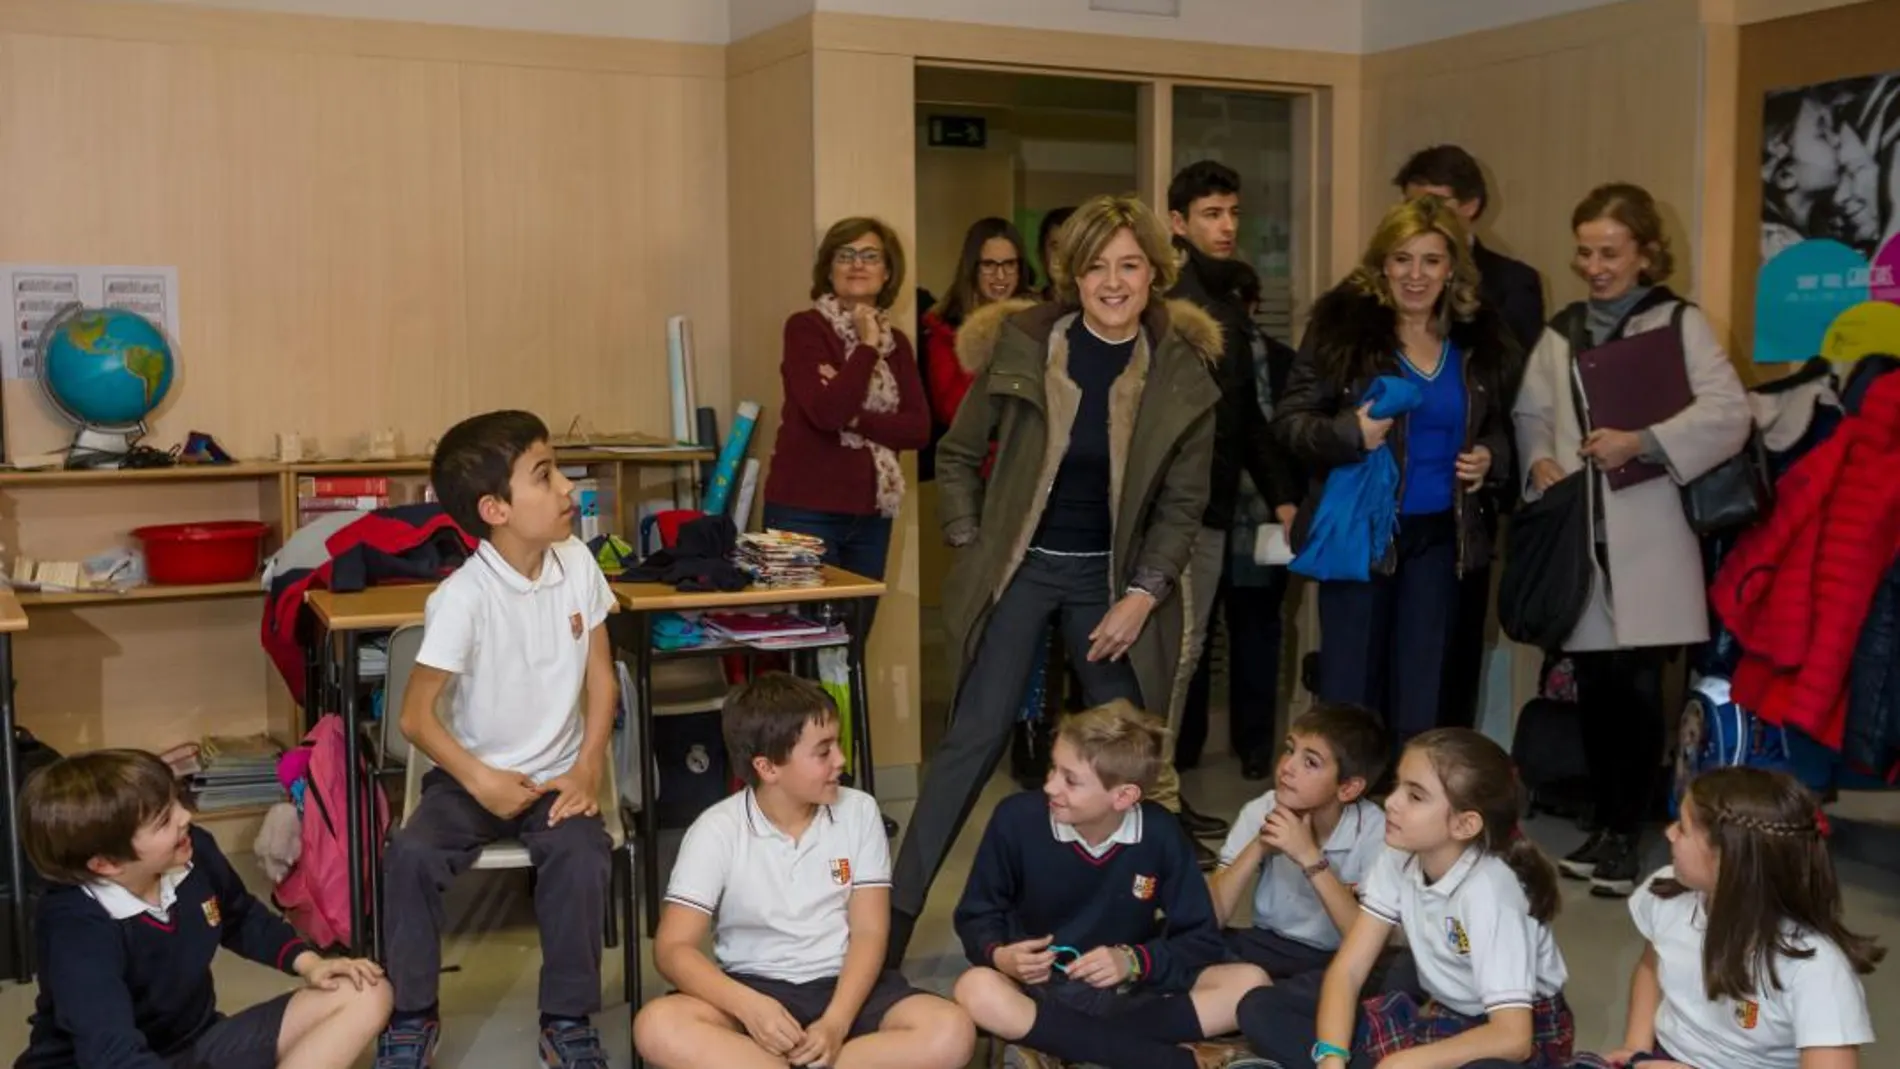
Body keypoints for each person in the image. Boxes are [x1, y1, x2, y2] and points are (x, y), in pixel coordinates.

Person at [888, 193, 1223, 966]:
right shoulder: (1027, 346)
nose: (1114, 282)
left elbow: (1183, 504)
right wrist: (972, 541)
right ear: (1072, 274)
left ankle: (1154, 940)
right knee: (969, 743)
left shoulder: (1181, 370)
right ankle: (891, 931)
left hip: (1112, 589)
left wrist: (1143, 593)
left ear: (1155, 273)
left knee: (1129, 764)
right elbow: (958, 452)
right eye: (1097, 266)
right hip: (1022, 573)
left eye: (1130, 264)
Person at [1512, 183, 1751, 897]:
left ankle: (1626, 830)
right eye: (1584, 251)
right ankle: (1609, 822)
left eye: (1610, 252)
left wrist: (1642, 439)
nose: (1594, 265)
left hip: (1651, 533)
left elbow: (1728, 411)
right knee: (1595, 687)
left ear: (1646, 253)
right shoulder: (1563, 328)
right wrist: (1537, 460)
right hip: (1581, 536)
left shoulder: (1678, 322)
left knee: (1638, 688)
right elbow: (1532, 412)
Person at [376, 409, 619, 1069]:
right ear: (495, 508)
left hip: (556, 775)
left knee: (581, 852)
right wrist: (481, 778)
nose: (569, 487)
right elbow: (415, 718)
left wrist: (588, 768)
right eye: (545, 476)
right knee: (411, 856)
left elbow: (603, 680)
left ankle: (567, 1019)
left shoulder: (578, 563)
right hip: (469, 774)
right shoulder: (463, 597)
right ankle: (412, 1013)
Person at [632, 673, 974, 1069]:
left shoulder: (859, 812)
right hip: (752, 985)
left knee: (952, 1031)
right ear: (768, 767)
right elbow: (673, 949)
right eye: (823, 751)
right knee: (657, 1025)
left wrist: (835, 1023)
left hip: (845, 985)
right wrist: (750, 1008)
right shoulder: (716, 829)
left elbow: (869, 931)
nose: (841, 761)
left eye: (837, 744)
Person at [1276, 196, 1516, 751]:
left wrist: (1490, 458)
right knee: (1350, 694)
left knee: (1423, 696)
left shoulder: (1476, 340)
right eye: (1402, 259)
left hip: (1441, 539)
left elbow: (1500, 428)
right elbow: (1290, 421)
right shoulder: (1343, 330)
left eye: (1431, 260)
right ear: (1381, 264)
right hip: (1361, 535)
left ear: (1452, 267)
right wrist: (1348, 434)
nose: (1416, 275)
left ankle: (1412, 821)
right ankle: (1342, 819)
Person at [16, 749, 389, 1069]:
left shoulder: (191, 852)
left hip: (195, 1047)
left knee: (366, 993)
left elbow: (240, 915)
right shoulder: (75, 926)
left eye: (176, 801)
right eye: (164, 820)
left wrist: (312, 964)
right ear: (106, 864)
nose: (185, 817)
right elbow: (111, 1054)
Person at [949, 700, 1272, 1069]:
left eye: (1070, 779)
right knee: (974, 989)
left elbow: (1199, 939)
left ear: (1123, 796)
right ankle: (1172, 1060)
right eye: (1054, 768)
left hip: (1128, 990)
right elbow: (976, 916)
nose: (1051, 786)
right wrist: (1001, 957)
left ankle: (1056, 1043)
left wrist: (1133, 961)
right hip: (1038, 990)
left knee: (1251, 983)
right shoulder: (1015, 818)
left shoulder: (1160, 832)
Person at [1237, 728, 1575, 1068]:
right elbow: (1348, 971)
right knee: (1261, 1008)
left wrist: (1398, 1064)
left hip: (1516, 1039)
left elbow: (1512, 1039)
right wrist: (1331, 1057)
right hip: (1447, 1020)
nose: (1392, 802)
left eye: (1415, 796)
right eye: (1398, 785)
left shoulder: (1490, 890)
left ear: (1464, 824)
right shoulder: (1397, 855)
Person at [1164, 160, 1303, 840]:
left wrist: (1281, 497)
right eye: (1212, 214)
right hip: (1174, 514)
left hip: (1217, 509)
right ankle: (1160, 801)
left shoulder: (1227, 306)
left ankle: (1163, 798)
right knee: (1171, 661)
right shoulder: (1173, 304)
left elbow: (1245, 418)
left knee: (1184, 657)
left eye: (1232, 213)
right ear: (1178, 223)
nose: (1226, 226)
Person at [1392, 144, 1542, 733]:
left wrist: (1495, 456)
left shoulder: (1514, 285)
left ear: (1472, 207)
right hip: (1392, 501)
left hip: (1468, 499)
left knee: (1451, 649)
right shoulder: (1384, 285)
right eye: (1412, 206)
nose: (1424, 218)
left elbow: (1517, 397)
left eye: (1438, 205)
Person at [1591, 768, 1880, 1069]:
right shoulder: (1668, 895)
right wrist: (1637, 1049)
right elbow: (1652, 967)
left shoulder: (1817, 970)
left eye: (1683, 828)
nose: (1668, 832)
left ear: (1729, 859)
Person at [1178, 262, 1301, 785]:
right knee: (1193, 644)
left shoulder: (1281, 361)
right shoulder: (1189, 353)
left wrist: (1285, 501)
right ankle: (1183, 751)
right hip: (1201, 518)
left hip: (1259, 531)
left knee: (1256, 635)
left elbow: (1273, 437)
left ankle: (1255, 748)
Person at [761, 216, 930, 593]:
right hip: (803, 511)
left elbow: (918, 429)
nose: (858, 264)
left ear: (887, 272)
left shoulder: (898, 344)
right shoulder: (805, 329)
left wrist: (852, 414)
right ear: (829, 269)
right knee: (805, 641)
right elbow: (825, 413)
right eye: (846, 255)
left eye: (870, 256)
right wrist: (867, 347)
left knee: (853, 641)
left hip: (871, 516)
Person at [1207, 704, 1388, 983]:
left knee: (1381, 977)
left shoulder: (1376, 832)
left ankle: (1255, 1000)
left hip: (1333, 958)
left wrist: (1308, 856)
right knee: (1176, 938)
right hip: (1263, 943)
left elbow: (1364, 943)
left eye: (1311, 762)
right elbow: (1211, 918)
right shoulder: (1261, 808)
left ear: (1348, 788)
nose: (1287, 768)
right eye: (1290, 749)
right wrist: (1259, 844)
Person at [922, 217, 1040, 436]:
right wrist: (983, 332)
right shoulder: (944, 325)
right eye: (989, 265)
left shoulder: (1038, 318)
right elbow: (951, 409)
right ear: (972, 267)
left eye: (1009, 264)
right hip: (975, 456)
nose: (1000, 276)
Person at [1036, 206, 1078, 302]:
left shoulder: (1095, 303)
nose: (1061, 255)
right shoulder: (1026, 307)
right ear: (1041, 253)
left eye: (1069, 246)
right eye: (1055, 247)